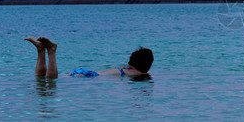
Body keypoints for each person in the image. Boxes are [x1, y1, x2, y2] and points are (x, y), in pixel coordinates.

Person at [25, 37, 153, 78]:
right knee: (51, 82)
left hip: (86, 71)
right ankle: (51, 51)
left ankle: (40, 50)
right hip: (90, 76)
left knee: (41, 79)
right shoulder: (137, 73)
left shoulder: (123, 66)